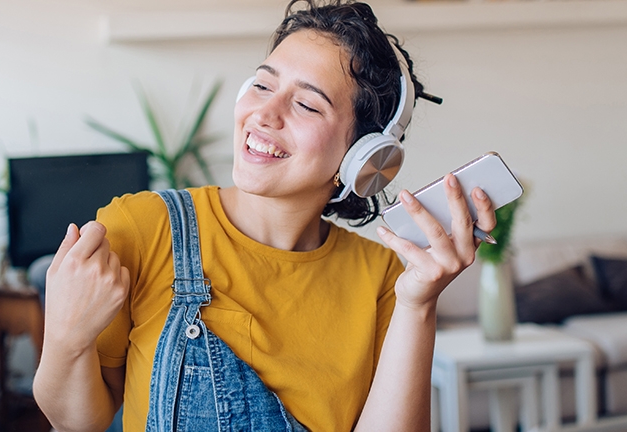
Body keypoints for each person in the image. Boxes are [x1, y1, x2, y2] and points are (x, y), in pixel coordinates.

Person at [32, 0, 496, 430]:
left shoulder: (383, 280)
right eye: (262, 84)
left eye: (307, 104)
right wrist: (65, 335)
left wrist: (419, 305)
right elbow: (80, 421)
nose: (264, 113)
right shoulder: (143, 227)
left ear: (362, 157)